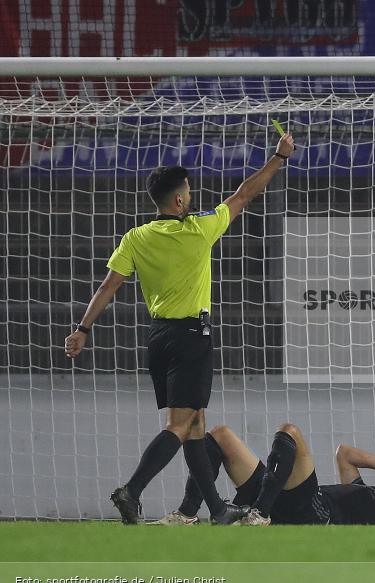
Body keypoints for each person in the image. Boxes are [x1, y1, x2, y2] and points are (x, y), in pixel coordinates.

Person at [64, 132, 296, 525]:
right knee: (180, 425)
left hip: (159, 339)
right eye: (187, 191)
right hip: (191, 337)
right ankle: (131, 490)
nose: (191, 196)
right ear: (177, 200)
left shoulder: (136, 237)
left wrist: (82, 329)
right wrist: (279, 157)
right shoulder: (198, 230)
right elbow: (244, 194)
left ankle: (217, 510)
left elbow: (108, 286)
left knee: (195, 426)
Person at [152, 422, 375, 526]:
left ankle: (259, 514)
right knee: (220, 435)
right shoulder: (370, 498)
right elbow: (344, 454)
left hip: (312, 511)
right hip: (287, 499)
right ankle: (188, 513)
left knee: (290, 431)